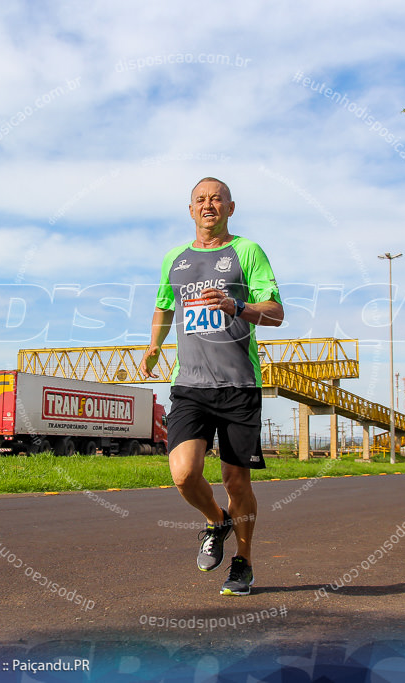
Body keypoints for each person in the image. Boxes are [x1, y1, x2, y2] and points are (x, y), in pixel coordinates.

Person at [140, 177, 284, 596]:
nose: (208, 205)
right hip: (190, 385)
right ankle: (215, 520)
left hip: (239, 384)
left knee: (237, 482)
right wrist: (154, 344)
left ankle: (243, 563)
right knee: (184, 474)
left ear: (230, 208)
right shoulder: (175, 257)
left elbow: (275, 312)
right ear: (190, 210)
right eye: (200, 200)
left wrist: (236, 305)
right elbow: (164, 304)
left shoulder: (247, 252)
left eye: (216, 199)